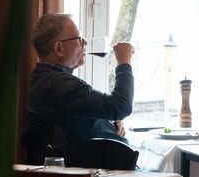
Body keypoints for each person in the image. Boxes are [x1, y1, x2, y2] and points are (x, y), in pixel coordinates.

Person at [22, 13, 134, 163]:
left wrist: (110, 124)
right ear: (59, 48)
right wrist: (124, 63)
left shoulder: (49, 80)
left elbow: (79, 122)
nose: (85, 42)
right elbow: (121, 106)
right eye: (79, 39)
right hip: (79, 171)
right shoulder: (57, 84)